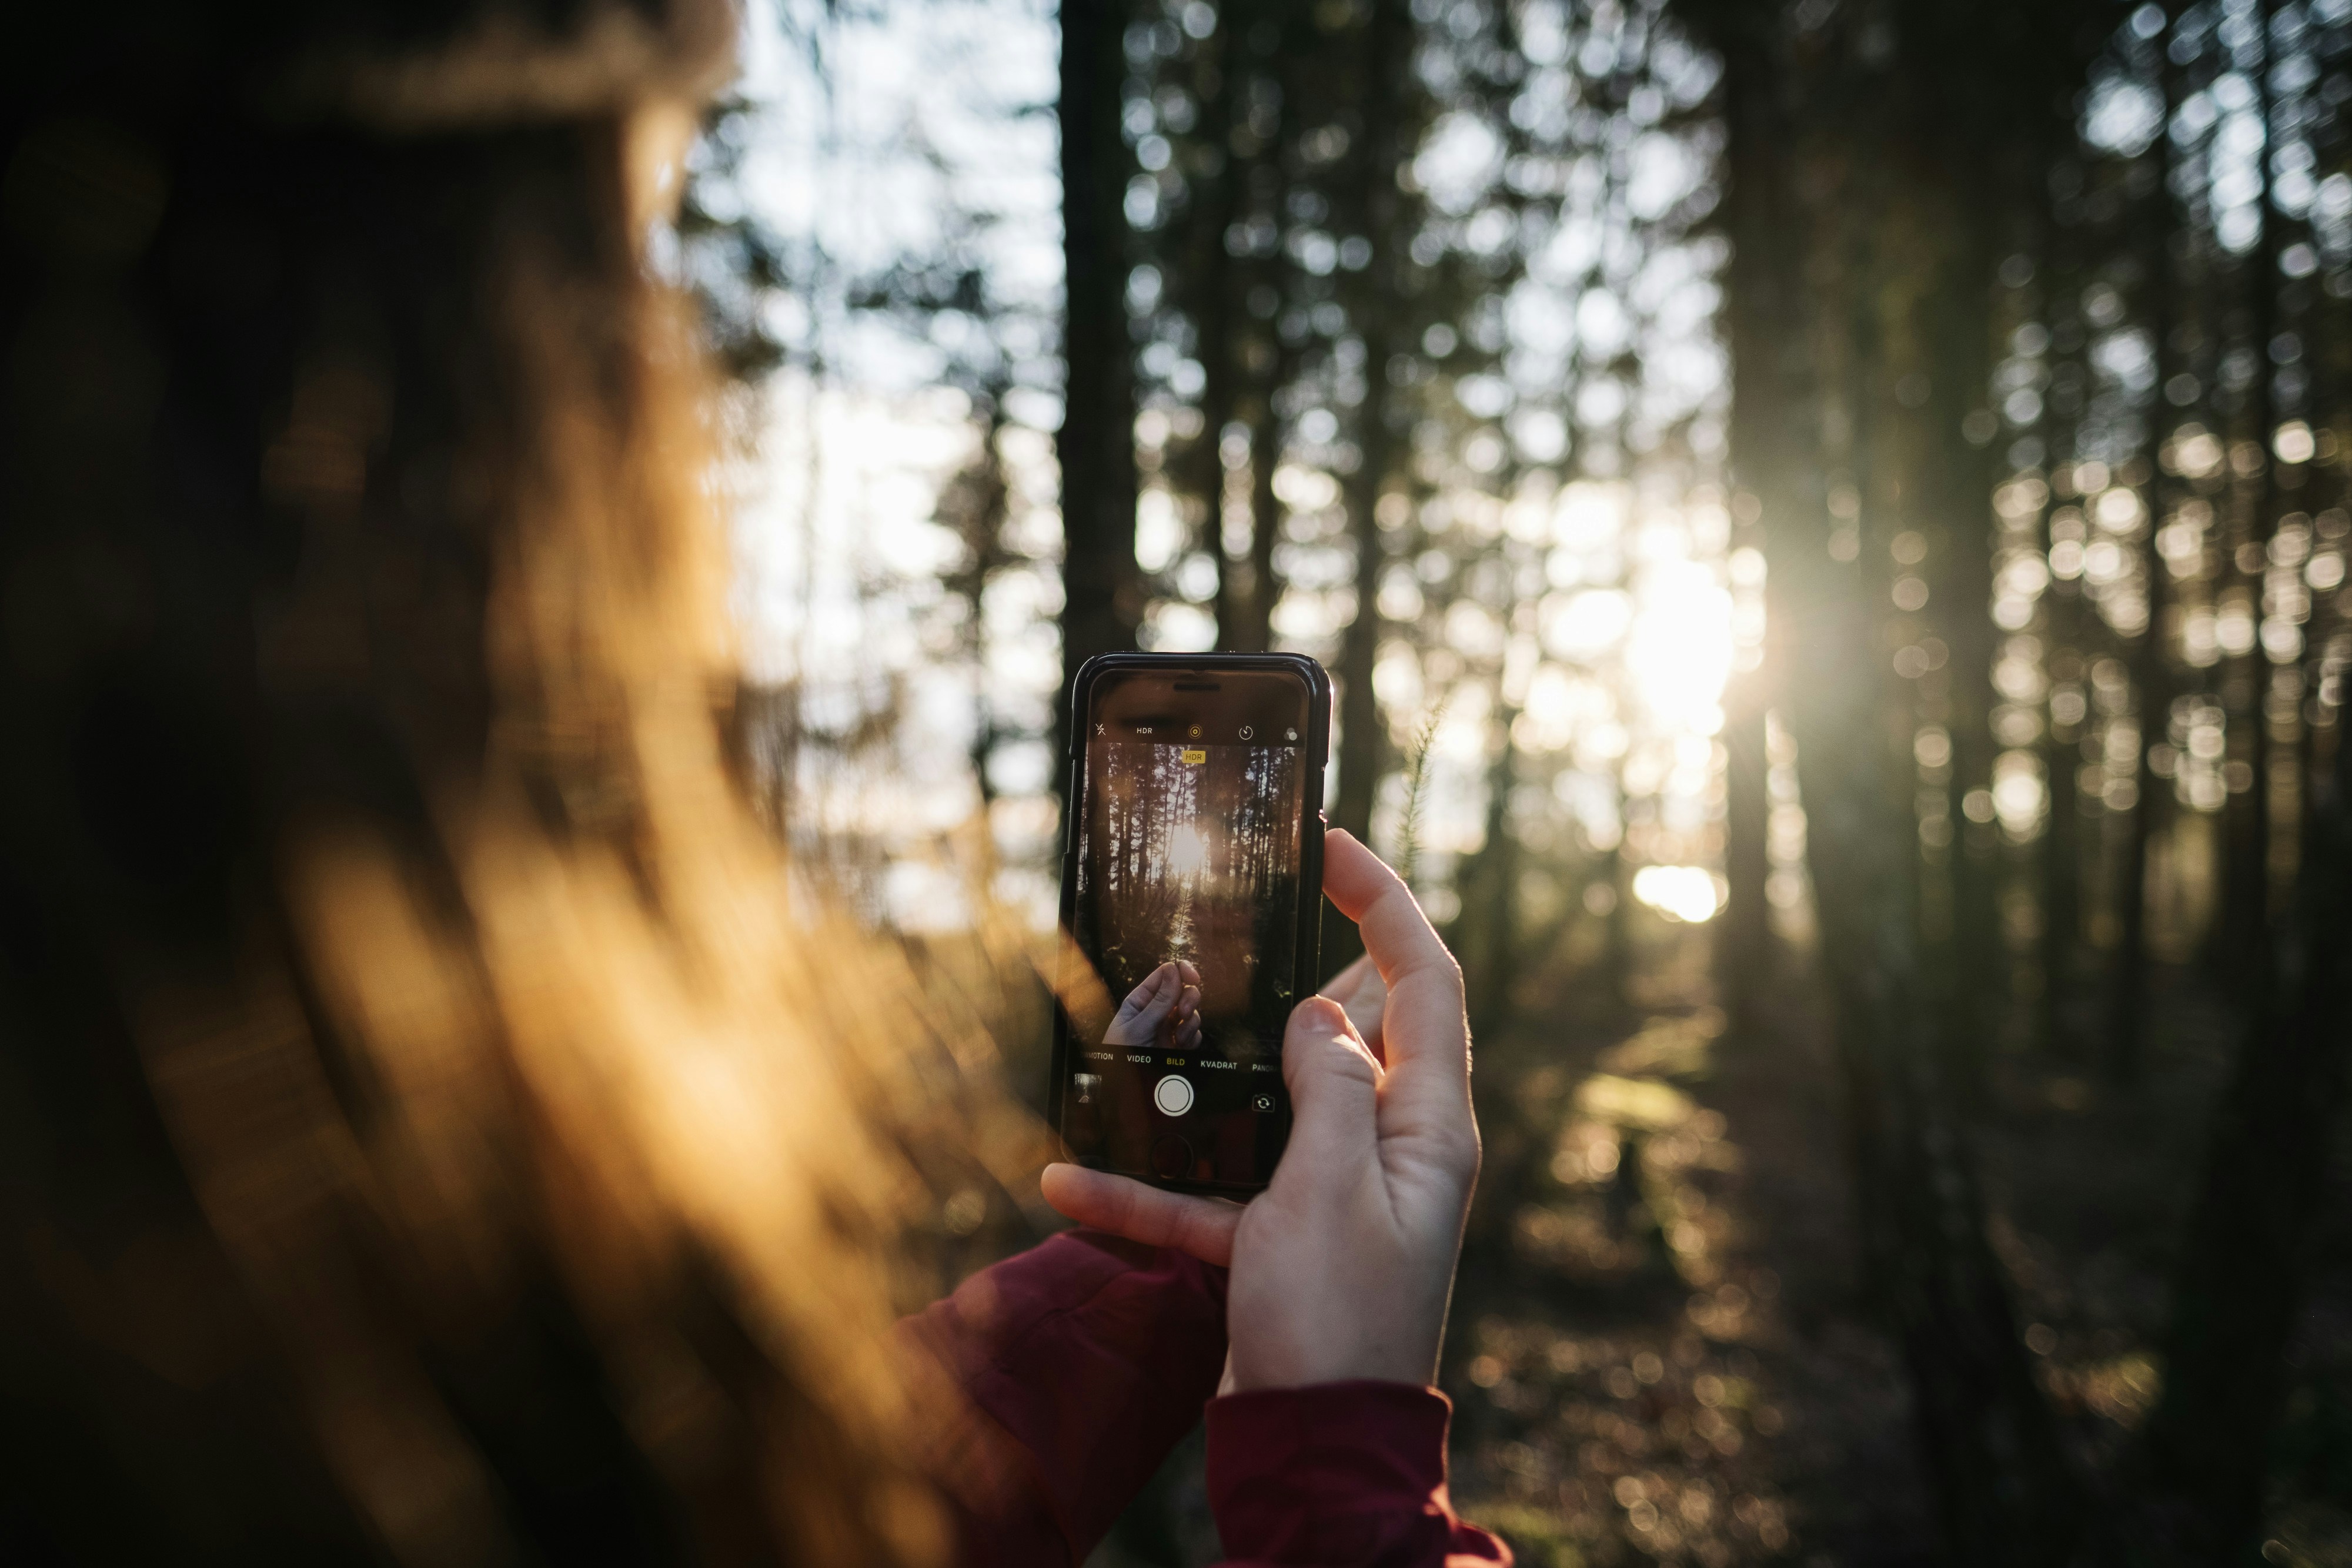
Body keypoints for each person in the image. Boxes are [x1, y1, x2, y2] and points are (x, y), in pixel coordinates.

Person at [0, 3, 1505, 1563]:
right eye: (631, 261)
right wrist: (1338, 1448)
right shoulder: (430, 1299)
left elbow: (800, 1490)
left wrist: (1188, 1272)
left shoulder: (228, 1317)